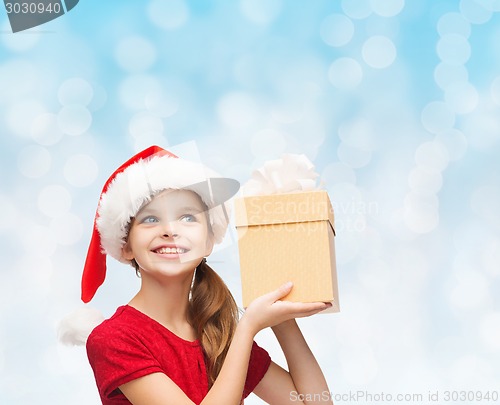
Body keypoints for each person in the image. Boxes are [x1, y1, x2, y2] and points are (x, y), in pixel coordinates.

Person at [79, 145, 333, 405]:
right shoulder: (113, 339)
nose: (169, 230)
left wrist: (282, 317)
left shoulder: (216, 332)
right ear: (126, 245)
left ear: (210, 240)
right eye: (151, 219)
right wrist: (248, 328)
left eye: (187, 217)